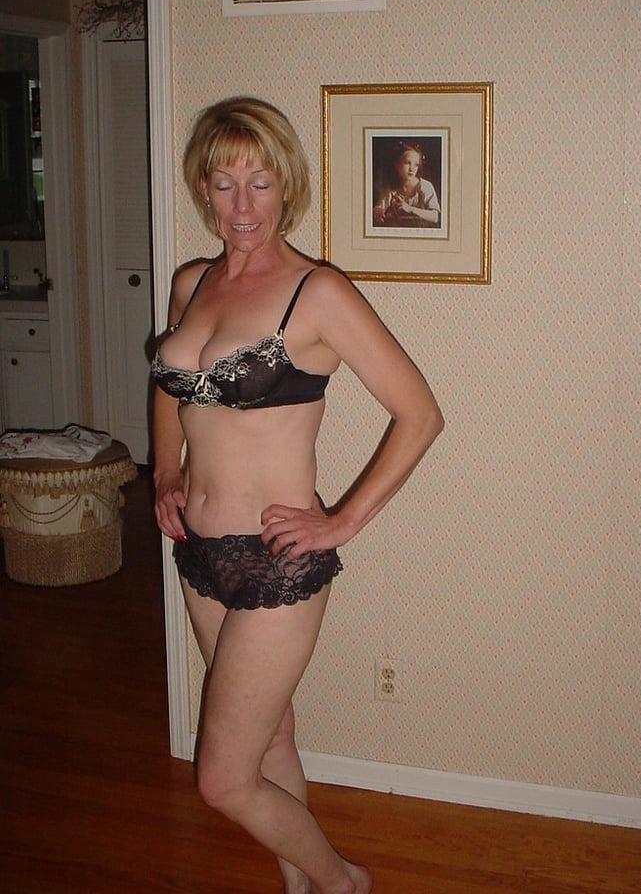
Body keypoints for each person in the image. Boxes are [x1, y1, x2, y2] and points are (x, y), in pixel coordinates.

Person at [151, 97, 443, 894]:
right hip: (198, 551)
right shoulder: (191, 284)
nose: (242, 205)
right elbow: (172, 387)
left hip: (276, 561)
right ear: (203, 188)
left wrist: (341, 519)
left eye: (260, 183)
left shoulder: (317, 293)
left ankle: (342, 880)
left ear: (287, 186)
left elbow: (419, 414)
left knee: (222, 780)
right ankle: (298, 883)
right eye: (224, 183)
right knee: (270, 738)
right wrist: (166, 473)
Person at [372, 140, 441, 227]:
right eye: (407, 163)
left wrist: (410, 209)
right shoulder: (391, 189)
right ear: (397, 165)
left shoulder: (425, 186)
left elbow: (435, 217)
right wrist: (377, 211)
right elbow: (380, 207)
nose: (412, 169)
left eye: (416, 165)